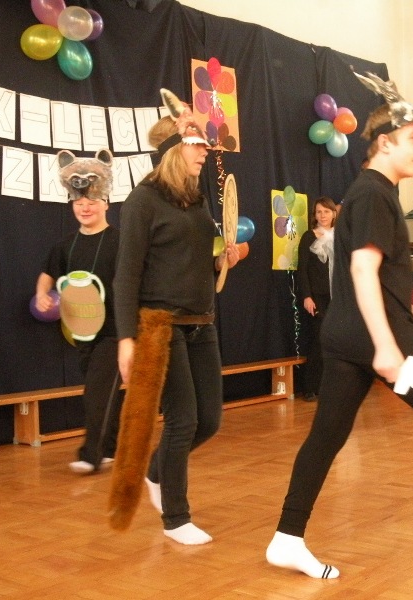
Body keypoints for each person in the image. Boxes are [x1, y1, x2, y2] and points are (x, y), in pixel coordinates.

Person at [266, 73, 413, 580]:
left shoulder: (370, 192)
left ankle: (287, 537)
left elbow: (374, 274)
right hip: (368, 335)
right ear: (384, 143)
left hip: (344, 332)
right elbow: (360, 270)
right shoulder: (374, 195)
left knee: (327, 435)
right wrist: (385, 345)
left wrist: (412, 314)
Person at [113, 105, 240, 545]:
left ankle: (156, 471)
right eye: (196, 144)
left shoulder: (197, 199)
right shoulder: (142, 201)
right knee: (183, 421)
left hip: (202, 323)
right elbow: (127, 274)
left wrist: (220, 260)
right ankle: (176, 518)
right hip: (160, 326)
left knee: (210, 422)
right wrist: (126, 339)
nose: (205, 151)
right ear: (173, 148)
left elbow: (190, 259)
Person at [36, 149, 122, 475]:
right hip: (82, 331)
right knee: (105, 392)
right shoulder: (65, 245)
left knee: (96, 392)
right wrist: (42, 294)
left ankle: (91, 455)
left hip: (117, 330)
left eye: (92, 201)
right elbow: (49, 273)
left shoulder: (122, 241)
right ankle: (109, 449)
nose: (85, 207)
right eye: (79, 202)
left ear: (106, 203)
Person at [297, 196, 336, 400]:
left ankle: (326, 387)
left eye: (326, 211)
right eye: (319, 212)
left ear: (333, 213)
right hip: (316, 297)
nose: (322, 215)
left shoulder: (340, 237)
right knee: (318, 340)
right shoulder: (308, 237)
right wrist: (307, 296)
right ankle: (310, 387)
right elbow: (302, 270)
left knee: (333, 342)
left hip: (335, 297)